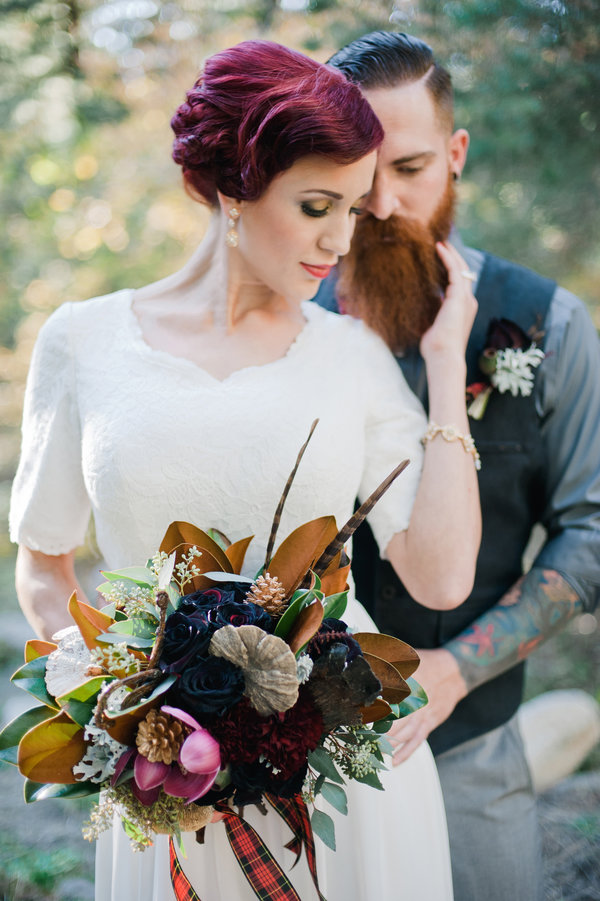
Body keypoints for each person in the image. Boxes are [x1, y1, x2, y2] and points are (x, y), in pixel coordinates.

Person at [8, 40, 482, 901]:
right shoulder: (83, 341)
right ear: (232, 187)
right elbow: (44, 564)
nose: (342, 239)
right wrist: (115, 695)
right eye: (315, 206)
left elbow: (443, 575)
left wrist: (446, 365)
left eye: (352, 206)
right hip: (163, 789)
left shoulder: (352, 353)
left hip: (340, 774)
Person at [316, 30, 600, 901]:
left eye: (411, 168)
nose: (385, 201)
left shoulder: (549, 323)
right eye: (360, 173)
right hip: (308, 750)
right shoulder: (288, 320)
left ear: (457, 154)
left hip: (475, 740)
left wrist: (459, 667)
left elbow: (592, 528)